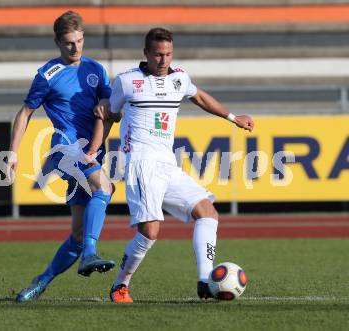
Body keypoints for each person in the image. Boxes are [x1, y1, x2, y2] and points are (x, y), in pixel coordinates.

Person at [89, 27, 254, 303]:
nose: (163, 60)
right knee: (150, 232)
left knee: (208, 213)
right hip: (141, 164)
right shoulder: (128, 81)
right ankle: (120, 285)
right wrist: (95, 148)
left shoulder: (179, 78)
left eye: (167, 54)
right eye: (157, 54)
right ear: (146, 53)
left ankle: (205, 281)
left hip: (167, 163)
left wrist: (233, 117)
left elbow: (199, 97)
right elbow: (109, 114)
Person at [9, 11, 116, 303]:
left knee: (78, 235)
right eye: (69, 43)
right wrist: (14, 153)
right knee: (104, 188)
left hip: (92, 149)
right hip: (67, 148)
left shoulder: (95, 68)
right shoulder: (47, 75)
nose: (76, 48)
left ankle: (41, 282)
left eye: (80, 41)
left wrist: (108, 106)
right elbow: (25, 112)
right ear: (58, 42)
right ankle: (90, 255)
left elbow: (108, 104)